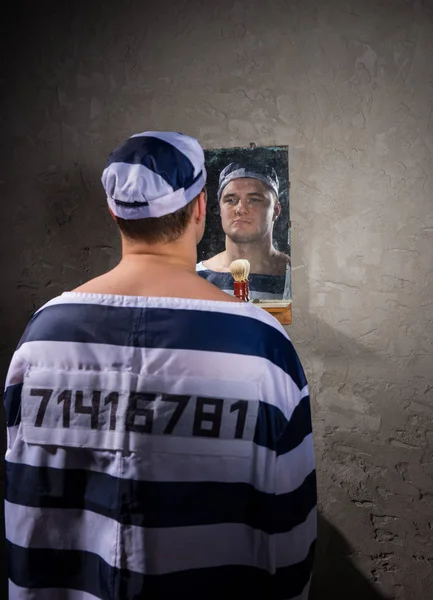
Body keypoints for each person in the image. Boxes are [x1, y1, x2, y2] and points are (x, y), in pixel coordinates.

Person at [4, 131, 316, 600]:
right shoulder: (262, 348)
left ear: (114, 212)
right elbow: (292, 534)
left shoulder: (43, 335)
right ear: (200, 209)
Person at [197, 162, 291, 300]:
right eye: (231, 200)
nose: (240, 209)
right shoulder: (196, 277)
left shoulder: (297, 277)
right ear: (220, 209)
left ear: (276, 210)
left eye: (253, 200)